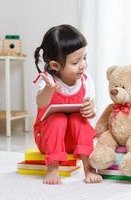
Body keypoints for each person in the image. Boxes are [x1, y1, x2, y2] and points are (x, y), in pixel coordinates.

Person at [33, 24, 102, 185]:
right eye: (75, 62)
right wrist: (49, 90)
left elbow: (91, 108)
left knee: (80, 120)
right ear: (56, 65)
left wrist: (91, 110)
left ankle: (89, 168)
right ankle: (52, 168)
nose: (83, 65)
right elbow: (40, 102)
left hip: (73, 142)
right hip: (48, 140)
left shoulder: (86, 79)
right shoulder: (49, 80)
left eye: (84, 57)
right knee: (58, 119)